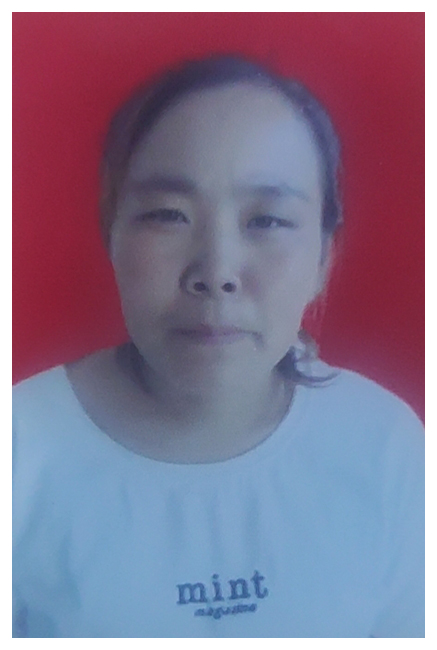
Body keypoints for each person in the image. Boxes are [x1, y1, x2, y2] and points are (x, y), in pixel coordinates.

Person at [12, 54, 424, 638]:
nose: (216, 272)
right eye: (168, 215)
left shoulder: (385, 446)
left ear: (324, 259)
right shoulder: (20, 449)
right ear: (111, 234)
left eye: (268, 221)